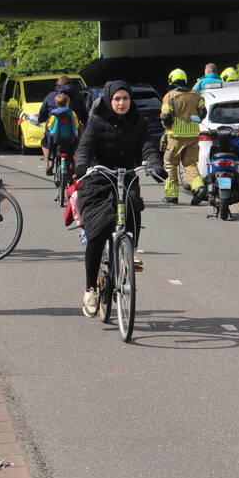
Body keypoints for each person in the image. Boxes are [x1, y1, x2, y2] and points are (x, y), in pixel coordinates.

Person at [74, 81, 164, 316]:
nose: (121, 103)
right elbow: (85, 148)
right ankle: (90, 289)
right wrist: (82, 166)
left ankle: (131, 248)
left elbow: (148, 147)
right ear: (108, 100)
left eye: (125, 98)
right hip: (98, 177)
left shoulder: (138, 122)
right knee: (97, 231)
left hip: (125, 175)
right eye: (117, 99)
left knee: (134, 204)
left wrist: (155, 165)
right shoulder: (96, 121)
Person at [160, 68, 207, 205]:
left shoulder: (169, 96)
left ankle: (171, 196)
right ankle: (199, 187)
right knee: (190, 163)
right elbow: (203, 112)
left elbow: (166, 116)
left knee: (170, 164)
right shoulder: (196, 95)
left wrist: (168, 125)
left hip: (175, 137)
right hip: (193, 135)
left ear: (171, 80)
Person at [38, 76, 88, 162]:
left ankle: (50, 160)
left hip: (55, 133)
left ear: (58, 85)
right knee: (77, 143)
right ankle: (74, 159)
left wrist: (41, 119)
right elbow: (84, 112)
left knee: (45, 141)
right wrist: (84, 121)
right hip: (72, 132)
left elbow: (43, 111)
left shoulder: (51, 96)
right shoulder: (77, 95)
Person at [44, 92, 80, 177]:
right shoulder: (72, 113)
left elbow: (50, 125)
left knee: (52, 149)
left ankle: (51, 162)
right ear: (67, 102)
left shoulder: (54, 114)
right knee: (71, 154)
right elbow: (76, 125)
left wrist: (49, 128)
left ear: (56, 103)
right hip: (70, 138)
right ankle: (71, 167)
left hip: (55, 138)